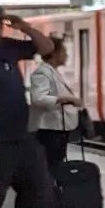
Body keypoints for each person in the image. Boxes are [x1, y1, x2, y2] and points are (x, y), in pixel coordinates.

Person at [0, 9, 58, 208]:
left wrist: (24, 27)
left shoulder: (8, 48)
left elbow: (46, 48)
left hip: (22, 137)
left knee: (39, 193)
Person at [29, 36, 79, 168]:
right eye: (64, 51)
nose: (66, 55)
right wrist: (66, 99)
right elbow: (38, 98)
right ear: (54, 54)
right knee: (51, 165)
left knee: (56, 164)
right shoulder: (42, 73)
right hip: (49, 130)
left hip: (57, 129)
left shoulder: (52, 72)